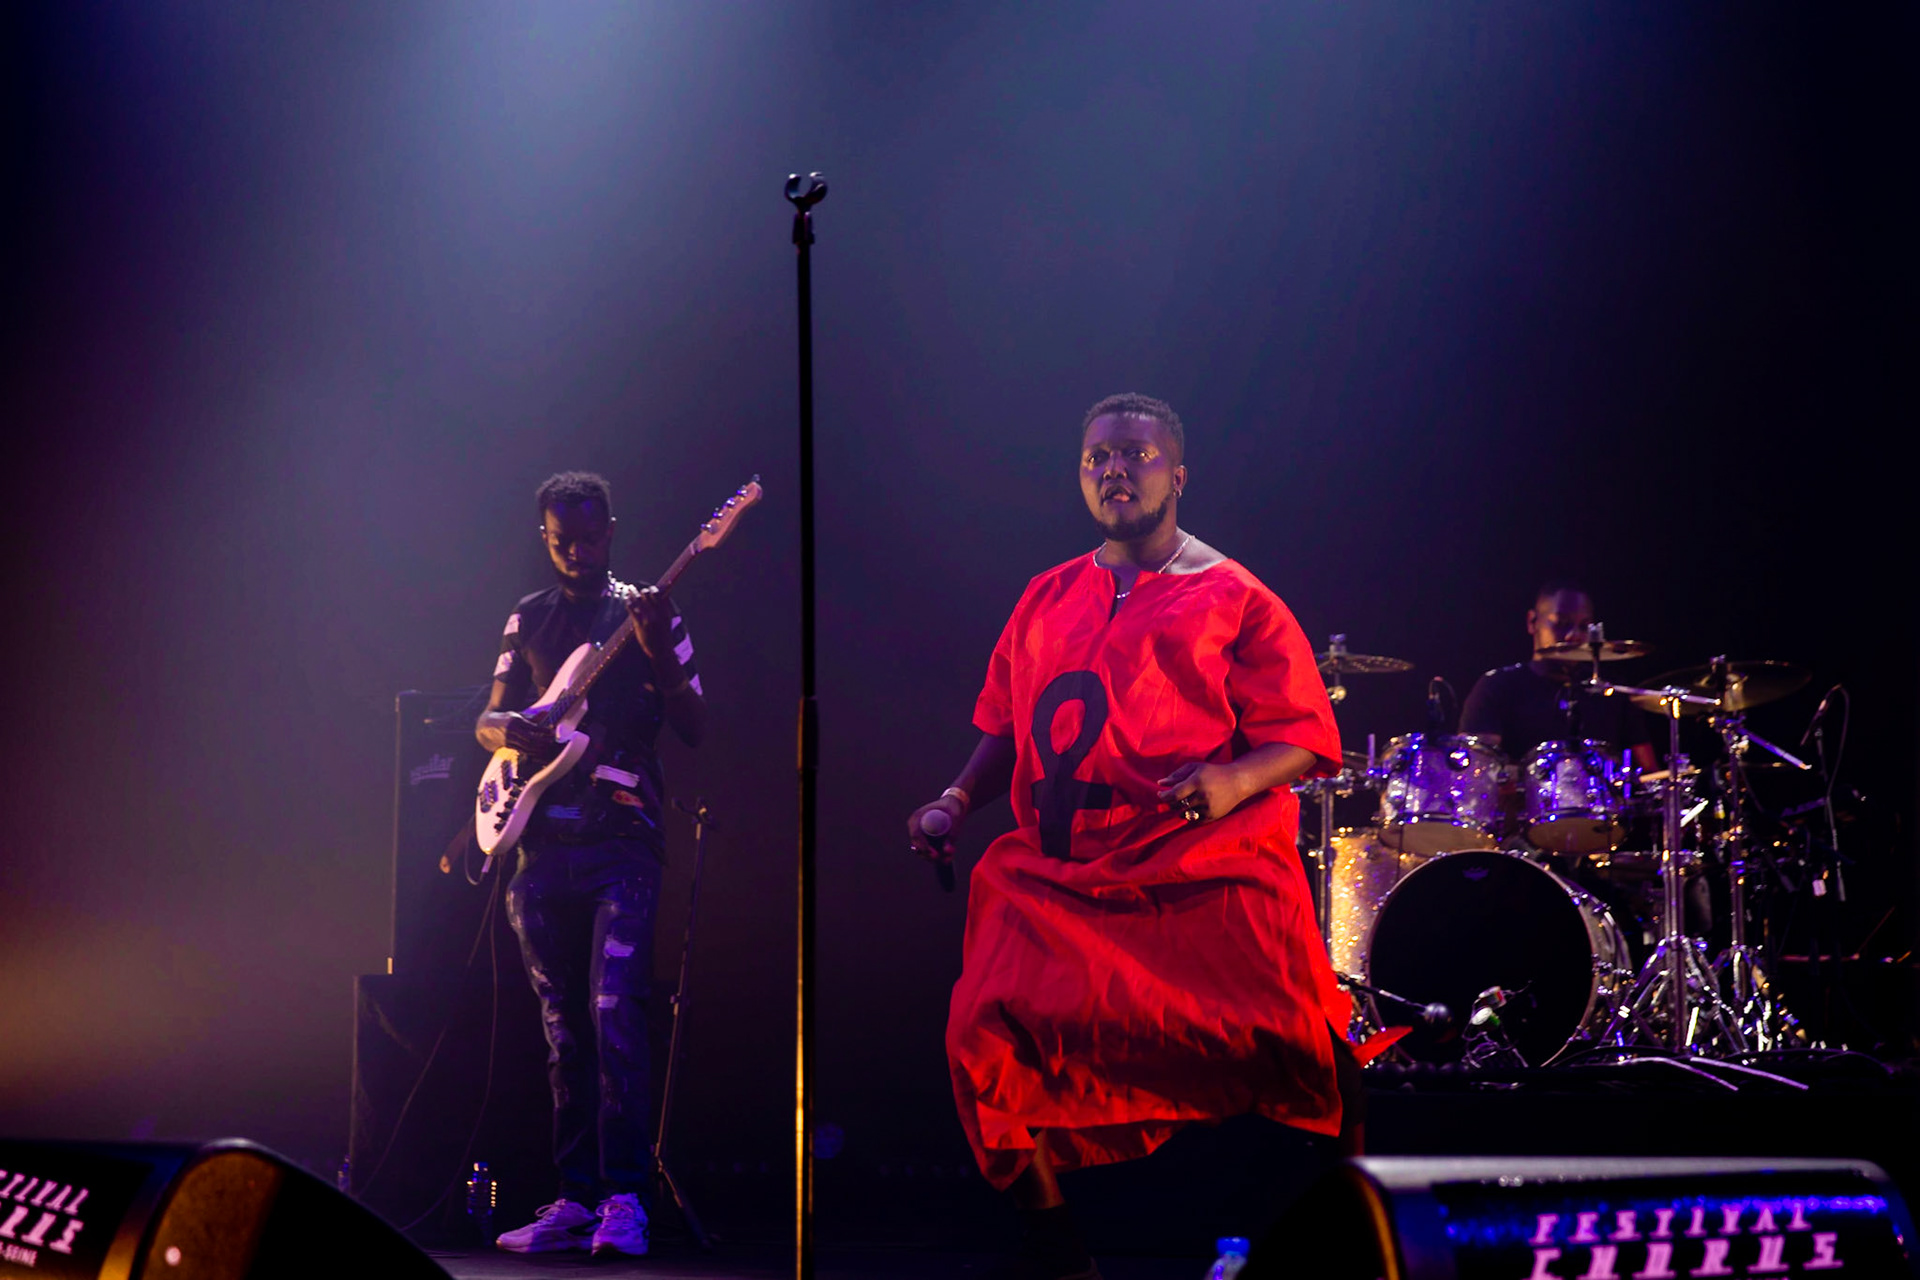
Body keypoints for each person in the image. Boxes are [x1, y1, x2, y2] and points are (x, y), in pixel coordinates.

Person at [906, 395, 1361, 1280]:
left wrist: (1232, 778)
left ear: (1177, 475)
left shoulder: (1236, 596)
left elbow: (1305, 736)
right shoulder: (1045, 595)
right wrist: (958, 799)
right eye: (1097, 459)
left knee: (1309, 1046)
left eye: (1136, 455)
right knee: (980, 1032)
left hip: (1198, 868)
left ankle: (1356, 1229)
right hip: (1063, 878)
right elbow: (1008, 724)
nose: (1115, 470)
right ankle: (1056, 1245)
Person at [475, 471, 705, 1258]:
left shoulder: (648, 609)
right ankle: (574, 1198)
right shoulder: (529, 615)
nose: (577, 550)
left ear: (612, 528)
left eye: (590, 535)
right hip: (540, 843)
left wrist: (656, 649)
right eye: (560, 539)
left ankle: (626, 1200)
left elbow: (697, 723)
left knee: (615, 1014)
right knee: (561, 1027)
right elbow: (487, 717)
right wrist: (512, 732)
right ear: (544, 538)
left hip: (623, 837)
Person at [1458, 581, 1657, 772]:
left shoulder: (1611, 689)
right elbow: (1476, 772)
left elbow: (1649, 772)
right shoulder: (1498, 686)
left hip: (1602, 806)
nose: (1574, 635)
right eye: (1562, 623)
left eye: (1584, 626)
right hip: (1528, 805)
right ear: (1532, 622)